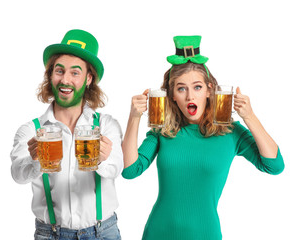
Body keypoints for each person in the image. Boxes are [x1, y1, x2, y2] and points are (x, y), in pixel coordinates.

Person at [121, 35, 284, 240]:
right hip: (158, 233)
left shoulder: (230, 132)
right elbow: (129, 170)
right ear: (172, 95)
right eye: (182, 88)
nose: (190, 96)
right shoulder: (162, 131)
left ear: (209, 90)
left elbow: (274, 165)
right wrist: (134, 117)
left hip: (205, 234)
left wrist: (249, 116)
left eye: (197, 87)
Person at [11, 29, 123, 240]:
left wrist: (101, 159)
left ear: (88, 79)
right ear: (50, 75)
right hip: (51, 234)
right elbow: (17, 174)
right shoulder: (31, 130)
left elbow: (117, 168)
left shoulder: (106, 125)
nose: (65, 80)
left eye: (75, 73)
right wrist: (36, 160)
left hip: (103, 233)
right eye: (59, 71)